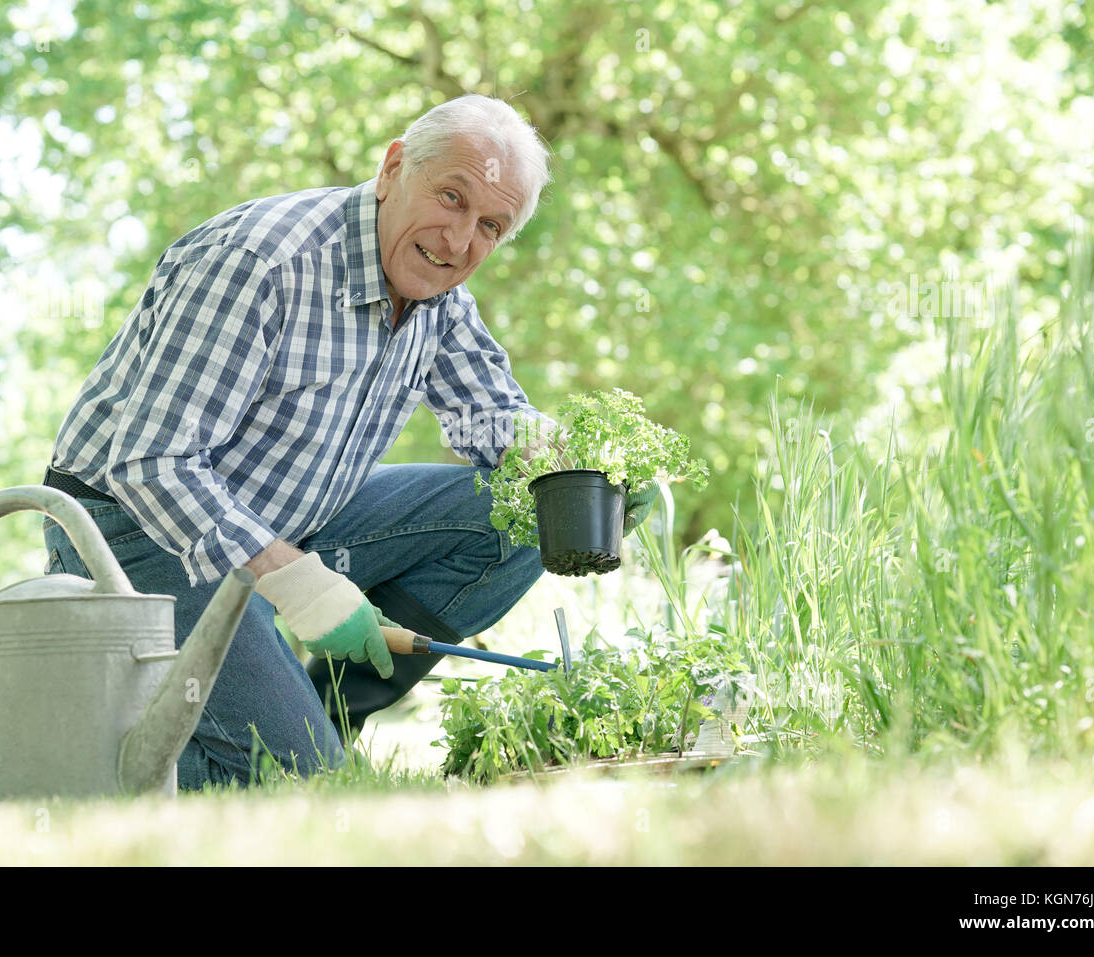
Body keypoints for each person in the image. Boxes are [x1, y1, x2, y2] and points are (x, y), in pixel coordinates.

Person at [41, 93, 653, 789]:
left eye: (490, 225)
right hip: (133, 538)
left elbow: (493, 420)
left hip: (286, 520)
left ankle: (324, 709)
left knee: (515, 510)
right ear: (394, 167)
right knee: (306, 784)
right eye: (451, 197)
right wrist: (295, 581)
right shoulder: (265, 260)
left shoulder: (440, 299)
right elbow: (150, 461)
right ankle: (216, 761)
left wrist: (585, 474)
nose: (458, 241)